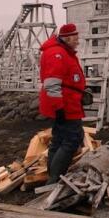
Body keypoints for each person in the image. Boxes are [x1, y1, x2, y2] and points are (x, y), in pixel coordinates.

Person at [39, 23, 87, 184]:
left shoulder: (63, 52)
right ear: (67, 38)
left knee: (59, 139)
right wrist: (59, 108)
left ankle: (52, 176)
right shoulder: (57, 54)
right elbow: (52, 83)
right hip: (65, 105)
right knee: (72, 139)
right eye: (76, 38)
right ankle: (54, 179)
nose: (77, 41)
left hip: (69, 102)